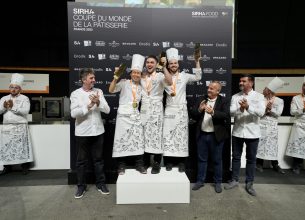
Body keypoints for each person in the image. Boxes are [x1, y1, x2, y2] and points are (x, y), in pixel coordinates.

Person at [70, 68, 110, 199]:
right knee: (81, 162)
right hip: (82, 133)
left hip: (98, 131)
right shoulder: (75, 94)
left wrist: (98, 102)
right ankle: (81, 186)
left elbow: (108, 110)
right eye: (91, 78)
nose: (94, 80)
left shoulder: (99, 91)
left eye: (94, 78)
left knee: (98, 160)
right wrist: (89, 104)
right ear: (83, 80)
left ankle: (101, 184)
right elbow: (73, 113)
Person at [224, 74, 265, 196]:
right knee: (236, 158)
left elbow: (261, 113)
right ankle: (235, 180)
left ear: (251, 83)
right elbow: (231, 112)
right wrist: (240, 110)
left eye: (244, 81)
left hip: (253, 133)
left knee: (251, 159)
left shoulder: (259, 96)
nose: (240, 83)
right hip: (237, 132)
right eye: (240, 81)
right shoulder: (235, 97)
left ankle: (249, 183)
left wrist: (248, 107)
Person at [162, 47, 202, 172]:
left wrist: (197, 61)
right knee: (168, 135)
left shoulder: (184, 76)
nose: (173, 65)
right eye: (171, 63)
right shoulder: (163, 77)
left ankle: (181, 162)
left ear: (178, 64)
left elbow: (198, 77)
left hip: (181, 110)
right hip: (169, 110)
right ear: (168, 65)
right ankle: (168, 161)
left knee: (182, 136)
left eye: (175, 63)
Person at [109, 54, 147, 175]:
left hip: (136, 116)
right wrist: (116, 77)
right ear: (130, 73)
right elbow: (110, 90)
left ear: (141, 75)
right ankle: (121, 165)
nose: (136, 75)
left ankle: (139, 164)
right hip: (123, 117)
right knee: (122, 140)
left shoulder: (142, 87)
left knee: (138, 139)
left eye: (138, 73)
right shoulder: (124, 83)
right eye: (134, 72)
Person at [191, 81, 230, 193]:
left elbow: (226, 115)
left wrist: (213, 112)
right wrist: (199, 109)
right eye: (208, 88)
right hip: (202, 135)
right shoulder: (201, 99)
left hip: (216, 136)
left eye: (212, 89)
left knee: (217, 160)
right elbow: (193, 113)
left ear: (218, 91)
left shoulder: (224, 101)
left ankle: (218, 182)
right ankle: (200, 181)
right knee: (201, 159)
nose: (209, 90)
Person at [140, 55, 172, 174]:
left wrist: (164, 68)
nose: (149, 64)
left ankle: (157, 163)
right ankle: (146, 161)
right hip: (144, 108)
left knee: (157, 135)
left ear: (156, 64)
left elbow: (170, 82)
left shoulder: (160, 76)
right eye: (147, 62)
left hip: (156, 109)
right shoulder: (141, 76)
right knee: (144, 135)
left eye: (152, 62)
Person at [0, 73, 33, 175]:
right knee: (6, 148)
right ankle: (7, 167)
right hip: (7, 127)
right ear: (9, 88)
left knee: (21, 147)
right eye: (11, 87)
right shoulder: (3, 98)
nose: (13, 89)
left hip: (20, 127)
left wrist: (13, 107)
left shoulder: (24, 98)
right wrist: (4, 107)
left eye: (16, 87)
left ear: (20, 89)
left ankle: (24, 167)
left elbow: (25, 111)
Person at [256, 77, 285, 174]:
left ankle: (275, 164)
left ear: (269, 91)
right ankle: (259, 164)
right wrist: (266, 110)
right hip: (261, 124)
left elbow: (278, 113)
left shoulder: (279, 101)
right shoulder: (261, 99)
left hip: (272, 126)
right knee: (260, 144)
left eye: (265, 89)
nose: (263, 90)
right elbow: (258, 113)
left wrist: (271, 109)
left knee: (272, 145)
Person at [285, 80, 305, 174]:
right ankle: (296, 166)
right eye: (304, 85)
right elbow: (292, 112)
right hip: (299, 125)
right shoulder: (296, 98)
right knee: (297, 145)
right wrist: (303, 109)